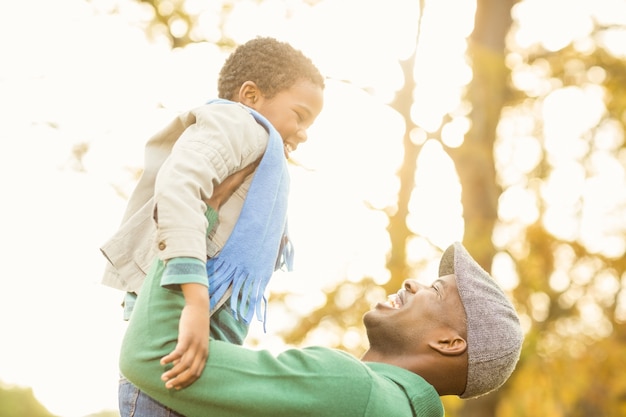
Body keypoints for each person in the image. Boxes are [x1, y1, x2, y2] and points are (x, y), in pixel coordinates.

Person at [100, 36, 324, 398]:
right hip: (178, 328)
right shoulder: (238, 123)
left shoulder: (263, 156)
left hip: (200, 340)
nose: (304, 133)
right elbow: (179, 187)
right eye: (299, 116)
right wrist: (195, 300)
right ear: (250, 96)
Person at [119, 241, 524, 417]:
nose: (411, 283)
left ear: (449, 343)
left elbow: (153, 356)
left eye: (435, 290)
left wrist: (188, 226)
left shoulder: (354, 391)